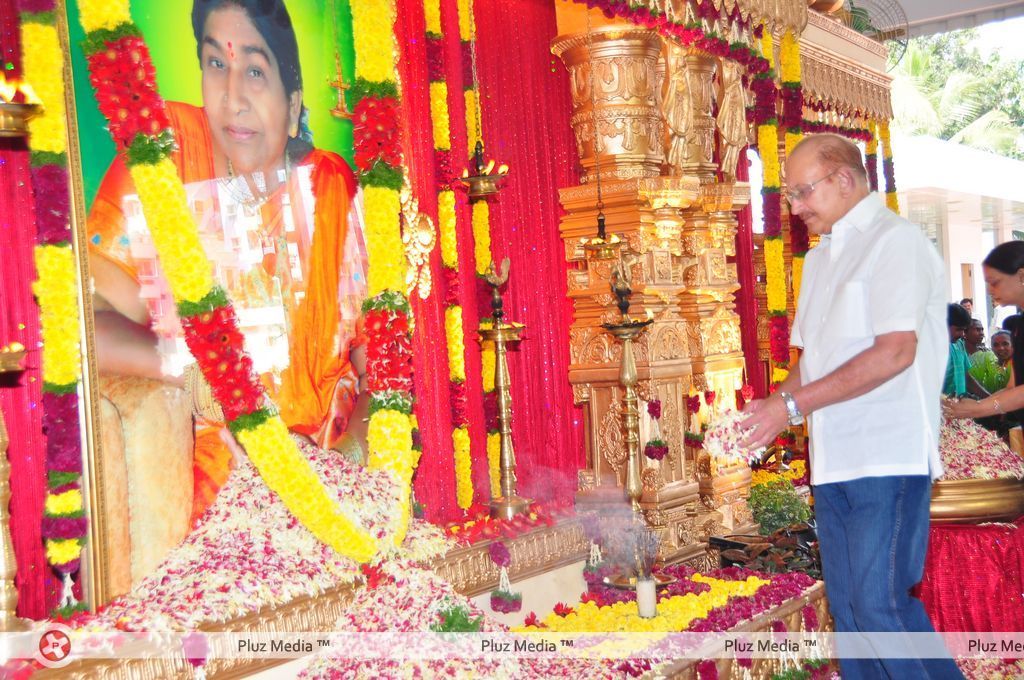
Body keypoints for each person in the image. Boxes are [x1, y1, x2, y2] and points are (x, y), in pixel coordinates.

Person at [88, 0, 367, 523]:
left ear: (294, 100)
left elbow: (377, 364)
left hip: (332, 476)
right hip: (217, 491)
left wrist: (349, 466)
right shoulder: (166, 153)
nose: (232, 98)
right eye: (217, 63)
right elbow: (89, 323)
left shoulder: (329, 186)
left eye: (255, 72)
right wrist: (204, 376)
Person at [740, 134, 961, 679]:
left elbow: (894, 352)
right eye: (790, 196)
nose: (794, 208)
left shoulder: (897, 242)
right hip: (834, 458)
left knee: (881, 606)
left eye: (801, 192)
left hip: (887, 454)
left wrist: (791, 406)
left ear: (843, 179)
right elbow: (811, 362)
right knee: (852, 612)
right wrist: (772, 408)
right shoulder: (819, 261)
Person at [948, 242, 1024, 427]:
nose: (990, 290)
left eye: (995, 282)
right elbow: (1013, 387)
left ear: (1021, 275)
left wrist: (978, 409)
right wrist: (976, 405)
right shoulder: (1019, 324)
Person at [943, 305, 989, 398]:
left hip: (958, 405)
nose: (962, 334)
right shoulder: (929, 347)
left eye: (963, 330)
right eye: (958, 329)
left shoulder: (959, 344)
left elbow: (967, 378)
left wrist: (989, 399)